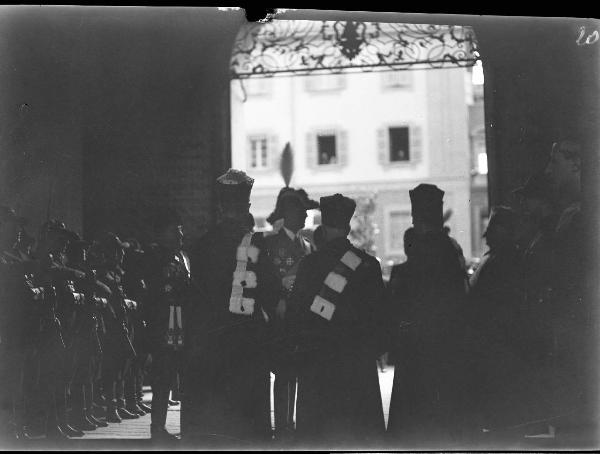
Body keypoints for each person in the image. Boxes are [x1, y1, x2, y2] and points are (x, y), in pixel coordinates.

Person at [184, 169, 280, 447]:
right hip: (247, 341)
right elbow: (271, 292)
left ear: (220, 207)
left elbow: (195, 298)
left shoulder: (201, 246)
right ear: (246, 207)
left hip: (211, 341)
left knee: (215, 419)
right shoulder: (258, 245)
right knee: (248, 418)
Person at [287, 193, 387, 450]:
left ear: (324, 225)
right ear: (347, 226)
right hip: (356, 366)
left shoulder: (309, 264)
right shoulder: (368, 265)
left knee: (318, 436)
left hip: (317, 366)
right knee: (357, 435)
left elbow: (295, 316)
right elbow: (380, 320)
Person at [386, 184, 470, 448]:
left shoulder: (417, 252)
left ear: (415, 216)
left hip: (416, 347)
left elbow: (400, 304)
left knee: (414, 422)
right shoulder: (451, 249)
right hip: (448, 345)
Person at [263, 187, 318, 442]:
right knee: (283, 371)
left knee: (295, 370)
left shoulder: (308, 246)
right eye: (302, 212)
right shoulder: (271, 244)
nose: (306, 217)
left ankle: (291, 422)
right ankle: (282, 424)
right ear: (288, 213)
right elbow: (267, 280)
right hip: (281, 316)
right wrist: (279, 301)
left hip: (301, 318)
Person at [144, 208, 191, 441]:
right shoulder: (154, 257)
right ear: (163, 233)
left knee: (182, 373)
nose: (181, 236)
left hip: (181, 319)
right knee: (163, 377)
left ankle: (186, 425)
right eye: (176, 232)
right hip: (163, 321)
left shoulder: (182, 257)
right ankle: (157, 428)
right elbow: (153, 293)